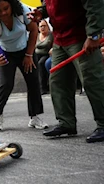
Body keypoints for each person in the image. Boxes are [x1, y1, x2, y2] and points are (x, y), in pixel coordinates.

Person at [29, 0, 104, 143]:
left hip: (81, 37)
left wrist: (93, 35)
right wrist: (42, 12)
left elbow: (95, 4)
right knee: (57, 80)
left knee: (92, 81)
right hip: (60, 38)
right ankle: (66, 123)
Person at [0, 0, 48, 130]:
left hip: (25, 49)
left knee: (33, 81)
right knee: (6, 84)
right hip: (5, 53)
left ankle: (35, 117)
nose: (3, 13)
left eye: (6, 8)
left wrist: (29, 55)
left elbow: (34, 31)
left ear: (12, 6)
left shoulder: (22, 11)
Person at [35, 19, 53, 95]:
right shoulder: (37, 35)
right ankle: (37, 87)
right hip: (37, 55)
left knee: (41, 63)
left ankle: (43, 88)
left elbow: (54, 44)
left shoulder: (51, 35)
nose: (42, 28)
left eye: (44, 26)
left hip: (47, 54)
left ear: (48, 27)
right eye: (40, 26)